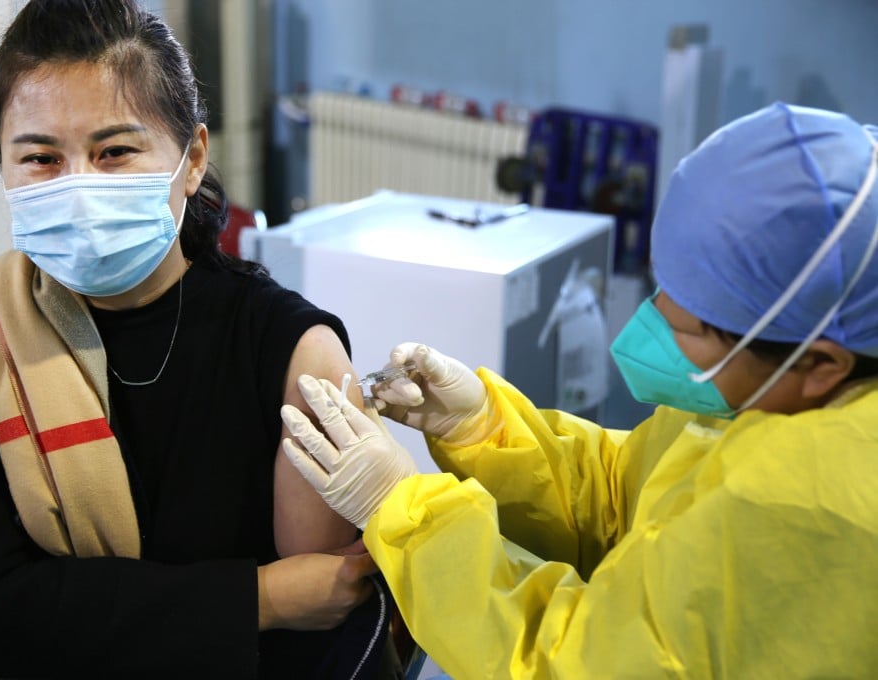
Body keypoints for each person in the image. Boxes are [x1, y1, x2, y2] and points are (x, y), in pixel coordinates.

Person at [0, 1, 396, 678]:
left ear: (192, 158)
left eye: (115, 151)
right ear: (2, 167)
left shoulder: (288, 350)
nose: (78, 189)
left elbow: (324, 613)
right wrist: (259, 596)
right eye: (40, 157)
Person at [281, 102, 878, 678]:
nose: (653, 324)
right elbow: (634, 499)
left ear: (821, 361)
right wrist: (485, 429)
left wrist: (404, 513)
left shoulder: (808, 507)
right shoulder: (780, 391)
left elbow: (569, 663)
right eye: (663, 288)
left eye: (691, 326)